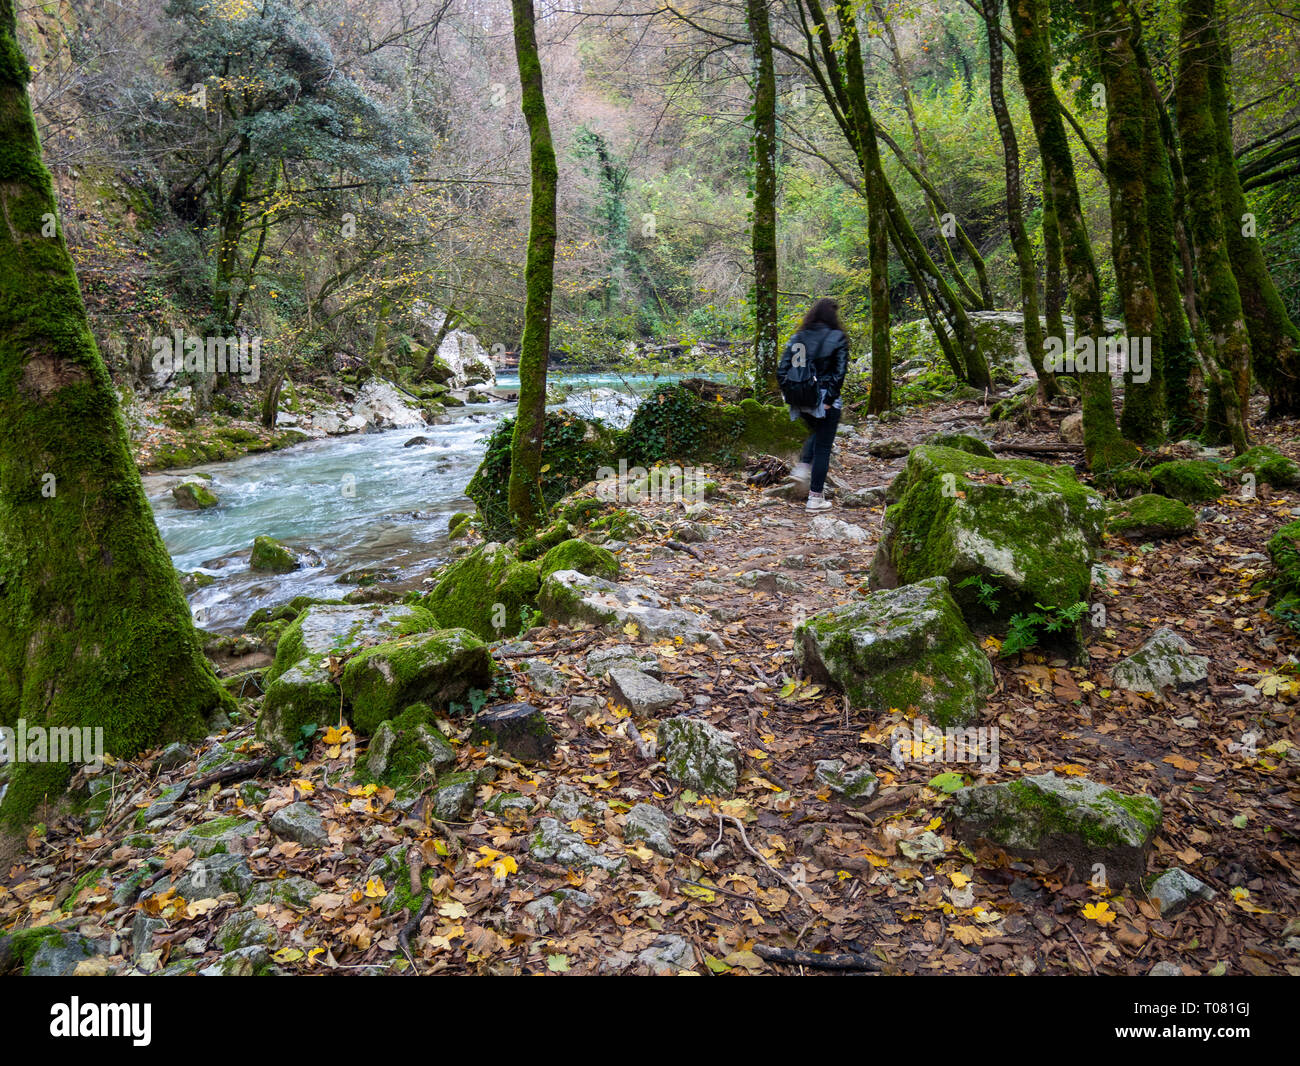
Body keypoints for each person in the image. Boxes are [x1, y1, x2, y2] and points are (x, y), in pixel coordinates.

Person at [776, 298, 849, 511]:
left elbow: (782, 370)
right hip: (826, 398)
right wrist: (828, 400)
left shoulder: (798, 337)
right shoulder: (837, 337)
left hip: (801, 399)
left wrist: (791, 394)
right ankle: (815, 498)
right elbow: (839, 372)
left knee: (816, 434)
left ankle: (802, 467)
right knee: (824, 446)